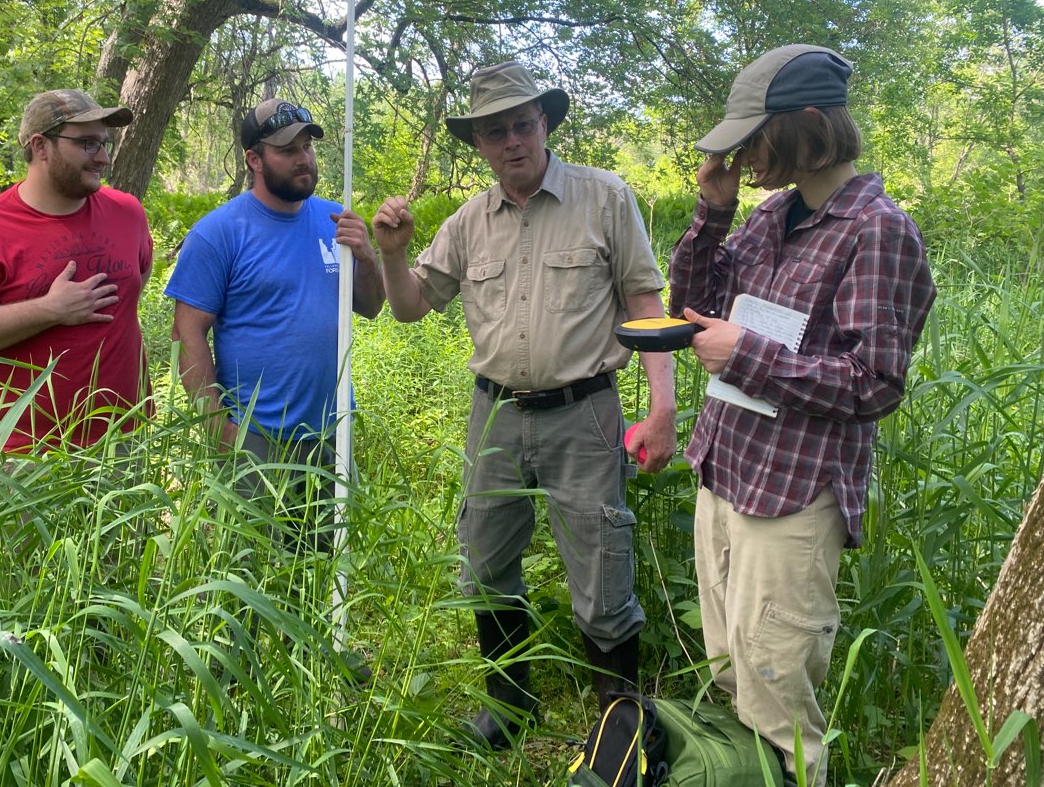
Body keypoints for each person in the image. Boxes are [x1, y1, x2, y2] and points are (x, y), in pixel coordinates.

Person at [370, 61, 677, 749]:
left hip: (586, 408)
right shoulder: (468, 220)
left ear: (546, 123)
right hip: (496, 415)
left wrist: (662, 410)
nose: (511, 141)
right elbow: (413, 307)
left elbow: (644, 303)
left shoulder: (604, 198)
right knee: (482, 565)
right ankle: (509, 706)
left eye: (522, 124)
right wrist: (394, 254)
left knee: (602, 567)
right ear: (478, 143)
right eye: (494, 131)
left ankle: (617, 724)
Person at [668, 45, 936, 787]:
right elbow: (691, 307)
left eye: (757, 137)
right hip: (725, 468)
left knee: (780, 694)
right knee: (730, 672)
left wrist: (746, 355)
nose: (746, 154)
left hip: (792, 494)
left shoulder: (877, 230)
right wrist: (713, 210)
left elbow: (874, 382)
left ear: (810, 124)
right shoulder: (767, 217)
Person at [165, 97, 385, 551]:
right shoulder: (219, 232)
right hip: (257, 439)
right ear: (254, 159)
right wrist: (218, 429)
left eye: (307, 146)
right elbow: (185, 333)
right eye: (287, 149)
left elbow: (371, 305)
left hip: (331, 434)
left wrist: (366, 256)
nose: (303, 158)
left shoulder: (334, 221)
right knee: (254, 583)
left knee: (326, 576)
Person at [0, 89, 153, 454]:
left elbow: (133, 292)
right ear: (40, 146)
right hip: (22, 453)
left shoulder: (128, 213)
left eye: (105, 144)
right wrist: (50, 310)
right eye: (88, 144)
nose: (104, 158)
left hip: (122, 438)